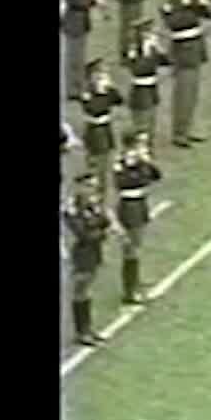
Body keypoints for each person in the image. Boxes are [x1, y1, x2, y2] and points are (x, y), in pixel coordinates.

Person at [111, 131, 163, 305]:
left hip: (139, 203)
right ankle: (129, 291)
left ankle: (134, 282)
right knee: (131, 247)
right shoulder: (121, 162)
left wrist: (146, 162)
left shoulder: (140, 161)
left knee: (136, 245)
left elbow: (156, 176)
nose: (144, 147)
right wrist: (137, 167)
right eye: (141, 143)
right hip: (129, 205)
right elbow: (124, 182)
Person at [162, 0, 211, 147]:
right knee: (183, 93)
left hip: (195, 51)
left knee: (192, 92)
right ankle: (179, 132)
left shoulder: (194, 2)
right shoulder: (170, 6)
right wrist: (184, 5)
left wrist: (203, 2)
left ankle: (188, 128)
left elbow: (210, 14)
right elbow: (174, 23)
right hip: (183, 53)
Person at [65, 180, 114, 346]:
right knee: (81, 288)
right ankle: (81, 332)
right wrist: (100, 230)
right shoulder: (73, 209)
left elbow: (105, 222)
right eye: (89, 186)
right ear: (81, 187)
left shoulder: (92, 206)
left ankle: (87, 328)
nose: (92, 190)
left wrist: (98, 220)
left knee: (87, 289)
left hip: (93, 250)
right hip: (82, 253)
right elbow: (82, 234)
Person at [77, 60, 126, 196]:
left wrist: (111, 89)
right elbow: (95, 109)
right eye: (101, 75)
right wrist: (102, 92)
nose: (104, 78)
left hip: (106, 128)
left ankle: (100, 190)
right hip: (95, 130)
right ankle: (96, 191)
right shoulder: (87, 92)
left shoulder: (107, 90)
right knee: (98, 163)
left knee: (104, 162)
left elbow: (119, 100)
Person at [61, 0, 99, 100]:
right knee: (73, 57)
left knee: (80, 55)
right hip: (73, 21)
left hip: (82, 20)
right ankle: (72, 89)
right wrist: (91, 2)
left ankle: (79, 85)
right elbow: (75, 1)